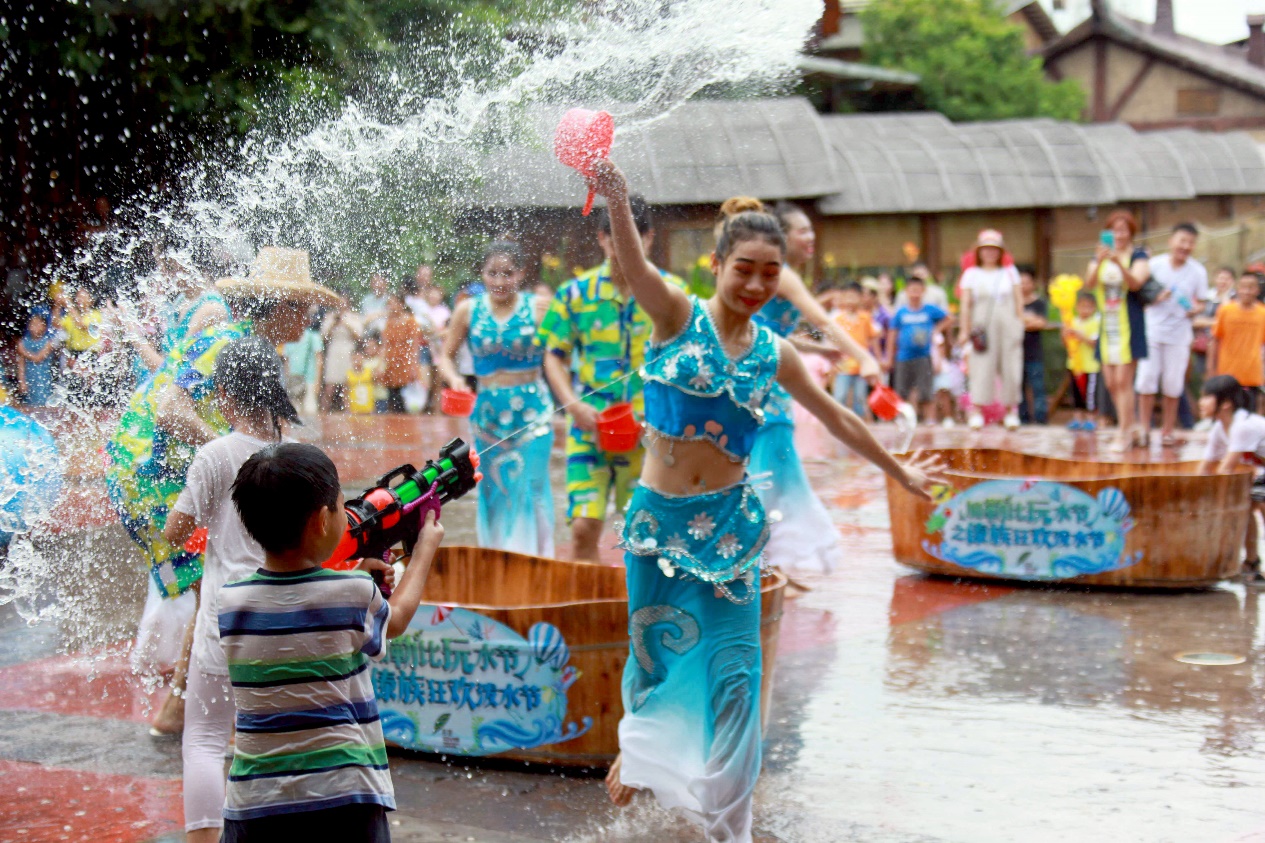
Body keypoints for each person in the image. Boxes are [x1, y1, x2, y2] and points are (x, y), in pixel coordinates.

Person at [586, 159, 943, 843]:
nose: (755, 283)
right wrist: (617, 197)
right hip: (657, 527)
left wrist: (899, 471)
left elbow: (840, 419)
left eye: (769, 272)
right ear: (716, 263)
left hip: (728, 530)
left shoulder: (775, 352)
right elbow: (634, 270)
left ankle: (731, 826)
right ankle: (644, 749)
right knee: (656, 657)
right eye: (743, 267)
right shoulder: (675, 316)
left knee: (737, 679)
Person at [106, 247, 342, 734]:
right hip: (148, 472)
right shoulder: (227, 343)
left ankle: (183, 710)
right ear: (279, 306)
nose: (308, 317)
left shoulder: (251, 346)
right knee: (215, 584)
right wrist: (237, 454)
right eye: (302, 307)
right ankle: (203, 711)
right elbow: (169, 409)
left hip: (172, 469)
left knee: (214, 584)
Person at [218, 443, 443, 839]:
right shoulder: (353, 593)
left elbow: (297, 599)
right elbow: (399, 619)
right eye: (342, 507)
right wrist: (424, 549)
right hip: (343, 800)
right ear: (322, 520)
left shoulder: (231, 602)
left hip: (255, 802)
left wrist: (352, 572)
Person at [158, 338, 304, 843]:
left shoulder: (215, 455)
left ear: (223, 395)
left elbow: (175, 532)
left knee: (203, 739)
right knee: (273, 741)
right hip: (286, 616)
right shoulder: (298, 458)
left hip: (226, 621)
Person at [539, 196, 686, 563]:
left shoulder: (670, 293)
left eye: (634, 238)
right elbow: (552, 355)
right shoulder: (574, 294)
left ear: (648, 239)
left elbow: (690, 358)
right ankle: (586, 612)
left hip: (650, 434)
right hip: (589, 427)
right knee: (583, 527)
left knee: (647, 535)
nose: (623, 248)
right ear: (603, 239)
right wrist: (572, 405)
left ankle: (639, 612)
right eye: (615, 239)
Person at [749, 200, 879, 577]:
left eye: (811, 229)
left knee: (772, 476)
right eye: (802, 230)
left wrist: (820, 348)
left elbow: (776, 333)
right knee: (770, 478)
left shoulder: (785, 274)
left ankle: (766, 562)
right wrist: (862, 356)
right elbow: (821, 316)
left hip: (768, 383)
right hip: (758, 387)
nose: (811, 237)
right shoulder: (783, 273)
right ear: (781, 236)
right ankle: (757, 563)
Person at [437, 241, 555, 556]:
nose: (500, 281)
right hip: (488, 412)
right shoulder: (468, 310)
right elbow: (445, 357)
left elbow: (562, 350)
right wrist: (455, 380)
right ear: (483, 275)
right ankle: (499, 558)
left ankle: (535, 560)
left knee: (530, 484)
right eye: (493, 274)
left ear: (521, 274)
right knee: (494, 487)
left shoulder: (539, 307)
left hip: (534, 411)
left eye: (508, 274)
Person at [1084, 210, 1151, 452]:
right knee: (1111, 381)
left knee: (1124, 379)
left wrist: (1118, 264)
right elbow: (1089, 284)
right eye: (1114, 230)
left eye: (1123, 230)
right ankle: (1129, 425)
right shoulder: (1100, 254)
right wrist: (1101, 260)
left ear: (1130, 232)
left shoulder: (1139, 254)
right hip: (1107, 323)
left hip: (1129, 322)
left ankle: (1123, 431)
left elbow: (1136, 282)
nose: (1119, 235)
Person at [1138, 222, 1208, 448]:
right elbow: (1140, 293)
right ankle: (1144, 428)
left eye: (1190, 242)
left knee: (1173, 383)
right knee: (1147, 380)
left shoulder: (1198, 271)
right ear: (1171, 241)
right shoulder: (1154, 265)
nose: (1185, 246)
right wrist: (1157, 297)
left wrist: (1194, 310)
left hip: (1179, 335)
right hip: (1152, 331)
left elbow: (1202, 302)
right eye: (1182, 241)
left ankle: (1167, 430)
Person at [1198, 375, 1265, 583]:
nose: (1201, 402)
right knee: (1246, 505)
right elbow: (1206, 465)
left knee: (1255, 502)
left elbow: (1225, 468)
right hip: (1261, 472)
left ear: (1225, 403)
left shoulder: (1243, 426)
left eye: (1207, 397)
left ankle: (1252, 562)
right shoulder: (1220, 427)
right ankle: (1251, 562)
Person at [958, 229, 1025, 430]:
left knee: (1011, 367)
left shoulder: (1010, 272)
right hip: (982, 323)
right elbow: (965, 304)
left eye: (994, 249)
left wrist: (1019, 323)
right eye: (985, 249)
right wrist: (964, 329)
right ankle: (976, 410)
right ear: (979, 252)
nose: (990, 253)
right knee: (981, 366)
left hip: (1007, 321)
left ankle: (1010, 411)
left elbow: (1018, 299)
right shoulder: (971, 274)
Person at [887, 275, 949, 424]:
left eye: (918, 290)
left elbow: (949, 318)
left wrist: (936, 330)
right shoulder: (901, 313)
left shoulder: (930, 310)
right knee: (901, 391)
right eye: (912, 290)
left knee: (926, 391)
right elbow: (892, 334)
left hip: (923, 356)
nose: (915, 293)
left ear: (923, 291)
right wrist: (889, 357)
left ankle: (930, 420)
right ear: (906, 292)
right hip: (903, 357)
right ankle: (901, 420)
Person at [1209, 272, 1265, 396]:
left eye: (1251, 287)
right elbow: (1215, 340)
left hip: (1252, 376)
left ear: (1257, 290)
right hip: (1226, 374)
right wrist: (1210, 370)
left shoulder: (1262, 313)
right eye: (1243, 287)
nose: (1246, 291)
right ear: (1238, 288)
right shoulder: (1226, 310)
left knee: (1250, 414)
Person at [831, 282, 879, 417]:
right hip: (844, 365)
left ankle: (859, 423)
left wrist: (877, 359)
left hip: (861, 365)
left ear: (860, 298)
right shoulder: (838, 319)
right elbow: (834, 342)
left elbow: (873, 338)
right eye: (848, 297)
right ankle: (838, 422)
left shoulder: (865, 318)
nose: (851, 300)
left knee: (860, 397)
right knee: (840, 396)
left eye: (854, 297)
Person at [379, 291, 424, 414]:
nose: (391, 306)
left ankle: (405, 427)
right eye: (389, 304)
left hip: (405, 362)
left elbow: (415, 345)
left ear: (401, 304)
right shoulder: (388, 322)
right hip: (391, 362)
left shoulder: (410, 322)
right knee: (392, 396)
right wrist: (380, 364)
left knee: (405, 398)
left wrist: (414, 366)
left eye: (393, 303)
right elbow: (384, 344)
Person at [1063, 291, 1102, 432]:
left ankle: (1091, 418)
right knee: (1075, 393)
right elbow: (1066, 343)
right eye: (1082, 306)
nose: (1085, 310)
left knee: (1090, 394)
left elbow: (1094, 343)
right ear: (1076, 307)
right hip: (1074, 364)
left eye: (1088, 307)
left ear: (1094, 308)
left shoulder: (1096, 322)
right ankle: (1078, 418)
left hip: (1090, 366)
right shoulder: (1072, 321)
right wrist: (1065, 333)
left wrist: (1080, 335)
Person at [1018, 268, 1049, 424]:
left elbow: (1041, 323)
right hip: (1016, 353)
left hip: (1034, 353)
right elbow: (1010, 323)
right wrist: (1028, 320)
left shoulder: (1039, 302)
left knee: (1038, 389)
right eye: (1020, 282)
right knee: (1019, 389)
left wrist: (1022, 321)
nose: (1023, 285)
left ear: (1033, 283)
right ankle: (1023, 420)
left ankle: (1041, 420)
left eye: (1026, 282)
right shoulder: (1013, 303)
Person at [282, 306, 323, 415]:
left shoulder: (313, 336)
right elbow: (287, 361)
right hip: (294, 378)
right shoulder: (289, 337)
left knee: (310, 410)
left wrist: (317, 381)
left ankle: (311, 432)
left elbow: (319, 359)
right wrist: (287, 381)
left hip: (310, 378)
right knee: (295, 410)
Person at [320, 305, 363, 412]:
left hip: (348, 351)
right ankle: (323, 412)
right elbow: (324, 337)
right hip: (334, 351)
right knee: (329, 386)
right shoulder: (330, 317)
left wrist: (345, 323)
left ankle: (348, 412)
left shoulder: (353, 317)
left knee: (347, 385)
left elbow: (359, 336)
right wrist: (334, 323)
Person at [17, 311, 57, 406]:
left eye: (38, 324)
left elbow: (38, 358)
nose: (34, 327)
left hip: (43, 376)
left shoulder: (48, 342)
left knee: (43, 399)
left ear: (44, 327)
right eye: (32, 324)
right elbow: (21, 364)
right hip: (29, 376)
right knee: (29, 402)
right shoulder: (24, 342)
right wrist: (21, 381)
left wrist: (23, 352)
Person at [346, 346, 376, 415]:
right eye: (355, 358)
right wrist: (347, 409)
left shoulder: (369, 373)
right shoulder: (348, 375)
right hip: (354, 411)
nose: (357, 361)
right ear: (351, 359)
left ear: (363, 358)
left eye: (359, 358)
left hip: (368, 410)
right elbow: (345, 394)